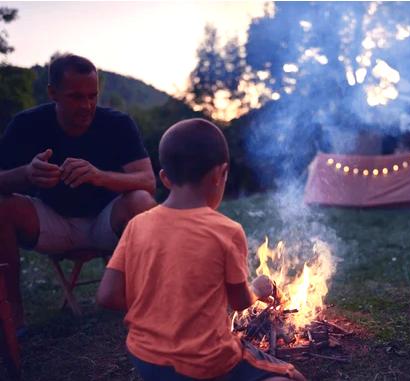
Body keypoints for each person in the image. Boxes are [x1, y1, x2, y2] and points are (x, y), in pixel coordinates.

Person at [96, 118, 306, 381]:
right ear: (221, 174)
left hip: (146, 359)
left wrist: (158, 302)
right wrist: (259, 288)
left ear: (165, 177)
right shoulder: (226, 230)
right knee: (291, 376)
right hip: (207, 361)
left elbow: (107, 295)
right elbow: (240, 302)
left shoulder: (137, 225)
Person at [0, 54, 156, 330]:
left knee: (141, 200)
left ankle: (153, 302)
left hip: (105, 223)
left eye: (92, 96)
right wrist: (26, 173)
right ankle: (12, 317)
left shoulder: (117, 123)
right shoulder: (26, 124)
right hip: (53, 222)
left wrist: (99, 176)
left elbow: (147, 181)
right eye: (75, 97)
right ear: (53, 93)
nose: (86, 106)